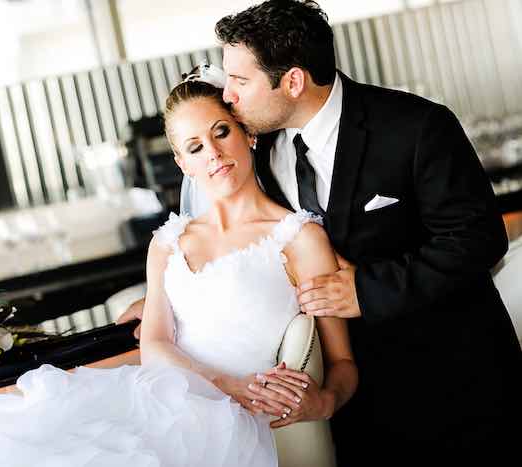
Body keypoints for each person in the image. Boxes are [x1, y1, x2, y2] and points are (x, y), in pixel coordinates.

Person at [117, 1, 522, 464]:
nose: (227, 95)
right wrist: (168, 295)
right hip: (349, 402)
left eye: (240, 81)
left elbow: (478, 240)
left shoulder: (416, 127)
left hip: (448, 380)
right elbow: (249, 245)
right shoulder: (258, 141)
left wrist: (366, 290)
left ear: (292, 81)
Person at [0, 76, 357, 467]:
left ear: (248, 134)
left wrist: (325, 400)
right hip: (153, 397)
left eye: (221, 132)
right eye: (195, 147)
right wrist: (227, 384)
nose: (213, 154)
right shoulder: (167, 243)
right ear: (181, 163)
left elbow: (343, 363)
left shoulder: (298, 239)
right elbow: (155, 344)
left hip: (224, 427)